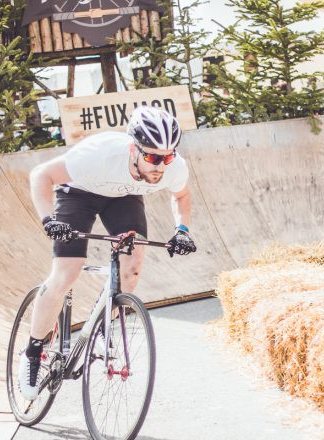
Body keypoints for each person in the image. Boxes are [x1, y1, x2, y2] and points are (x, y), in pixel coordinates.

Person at [18, 106, 197, 400]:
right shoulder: (97, 155)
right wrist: (50, 221)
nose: (160, 166)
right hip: (78, 194)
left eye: (167, 157)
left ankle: (102, 327)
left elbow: (182, 196)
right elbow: (41, 174)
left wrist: (182, 231)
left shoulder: (173, 167)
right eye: (152, 157)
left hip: (123, 198)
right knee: (67, 272)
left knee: (133, 266)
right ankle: (33, 353)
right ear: (133, 149)